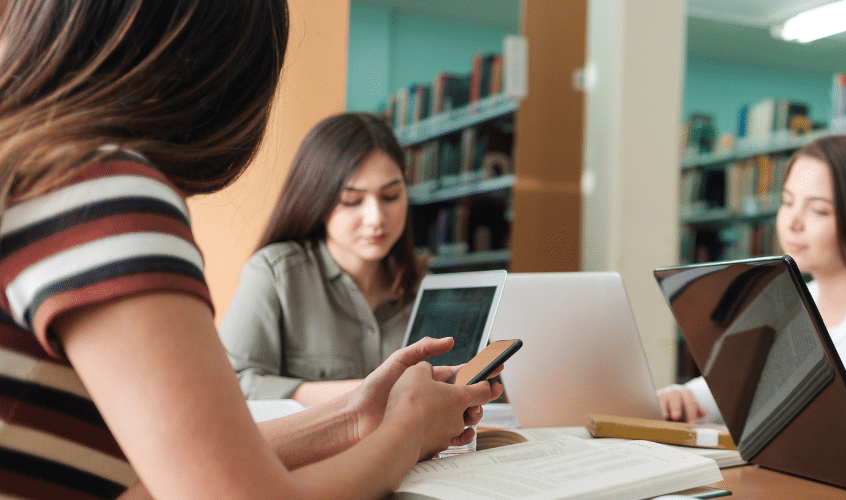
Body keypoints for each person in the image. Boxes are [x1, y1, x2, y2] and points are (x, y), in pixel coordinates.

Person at [0, 1, 501, 498]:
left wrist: (357, 414)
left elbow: (177, 468)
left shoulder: (33, 172)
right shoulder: (99, 192)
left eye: (391, 196)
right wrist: (407, 431)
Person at [660, 135, 846, 451]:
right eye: (788, 202)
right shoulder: (787, 300)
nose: (792, 223)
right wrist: (680, 397)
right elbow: (725, 387)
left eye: (818, 210)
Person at [220, 112, 421, 404]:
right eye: (352, 200)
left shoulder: (426, 288)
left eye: (390, 195)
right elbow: (232, 386)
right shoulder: (275, 273)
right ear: (316, 198)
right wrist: (367, 393)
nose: (375, 218)